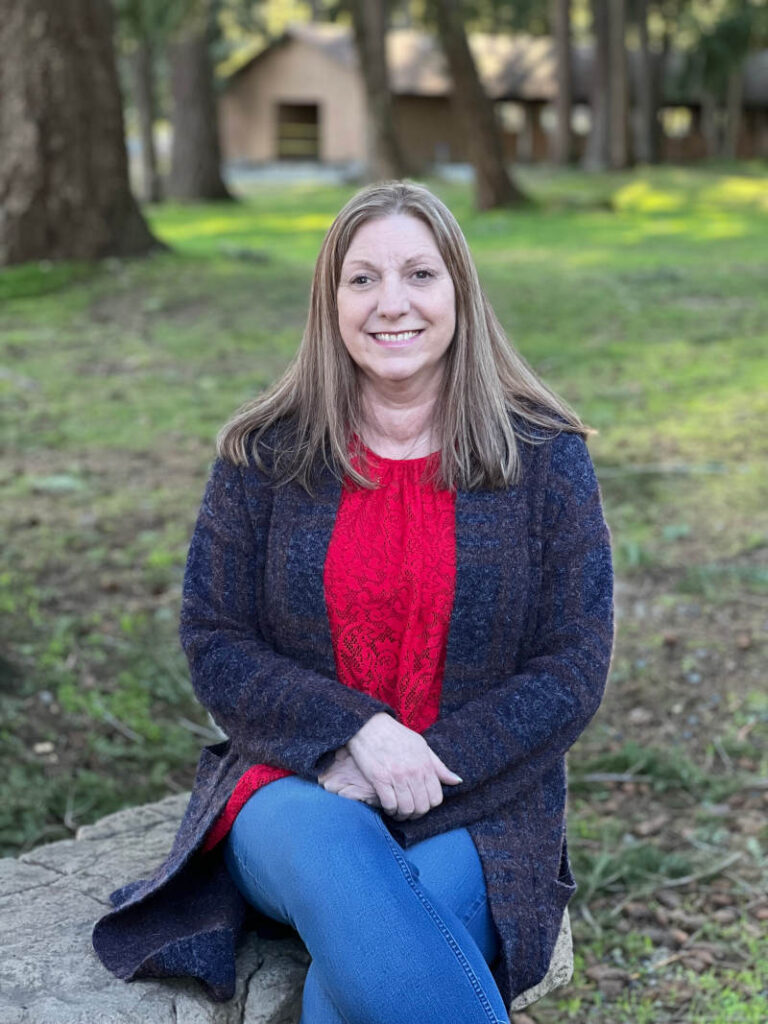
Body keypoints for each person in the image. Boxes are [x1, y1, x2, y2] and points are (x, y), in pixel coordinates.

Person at [92, 181, 614, 1024]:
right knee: (340, 852)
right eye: (362, 279)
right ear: (330, 300)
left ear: (459, 294)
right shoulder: (264, 453)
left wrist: (421, 767)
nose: (391, 304)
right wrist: (356, 735)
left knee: (355, 984)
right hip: (298, 787)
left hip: (481, 800)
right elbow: (216, 636)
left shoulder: (543, 455)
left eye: (419, 275)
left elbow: (575, 664)